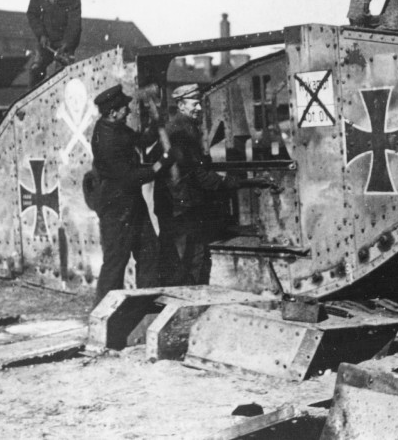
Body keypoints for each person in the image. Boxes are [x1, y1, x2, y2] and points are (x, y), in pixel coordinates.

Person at [161, 84, 273, 285]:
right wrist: (229, 182)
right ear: (181, 105)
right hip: (183, 205)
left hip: (180, 203)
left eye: (199, 104)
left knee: (189, 257)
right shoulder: (181, 131)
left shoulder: (182, 126)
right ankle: (190, 295)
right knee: (190, 258)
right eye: (194, 104)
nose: (199, 108)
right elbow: (197, 173)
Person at [89, 84, 165, 305]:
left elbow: (141, 140)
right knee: (116, 261)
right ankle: (104, 312)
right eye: (124, 108)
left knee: (149, 251)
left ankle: (145, 304)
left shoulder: (117, 128)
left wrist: (156, 121)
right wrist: (158, 167)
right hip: (116, 208)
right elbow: (128, 177)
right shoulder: (105, 139)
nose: (129, 110)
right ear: (113, 112)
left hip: (132, 203)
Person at [27, 0, 83, 88]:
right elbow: (32, 14)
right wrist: (41, 34)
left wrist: (66, 45)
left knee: (63, 75)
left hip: (65, 41)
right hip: (45, 39)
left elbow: (74, 26)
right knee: (36, 69)